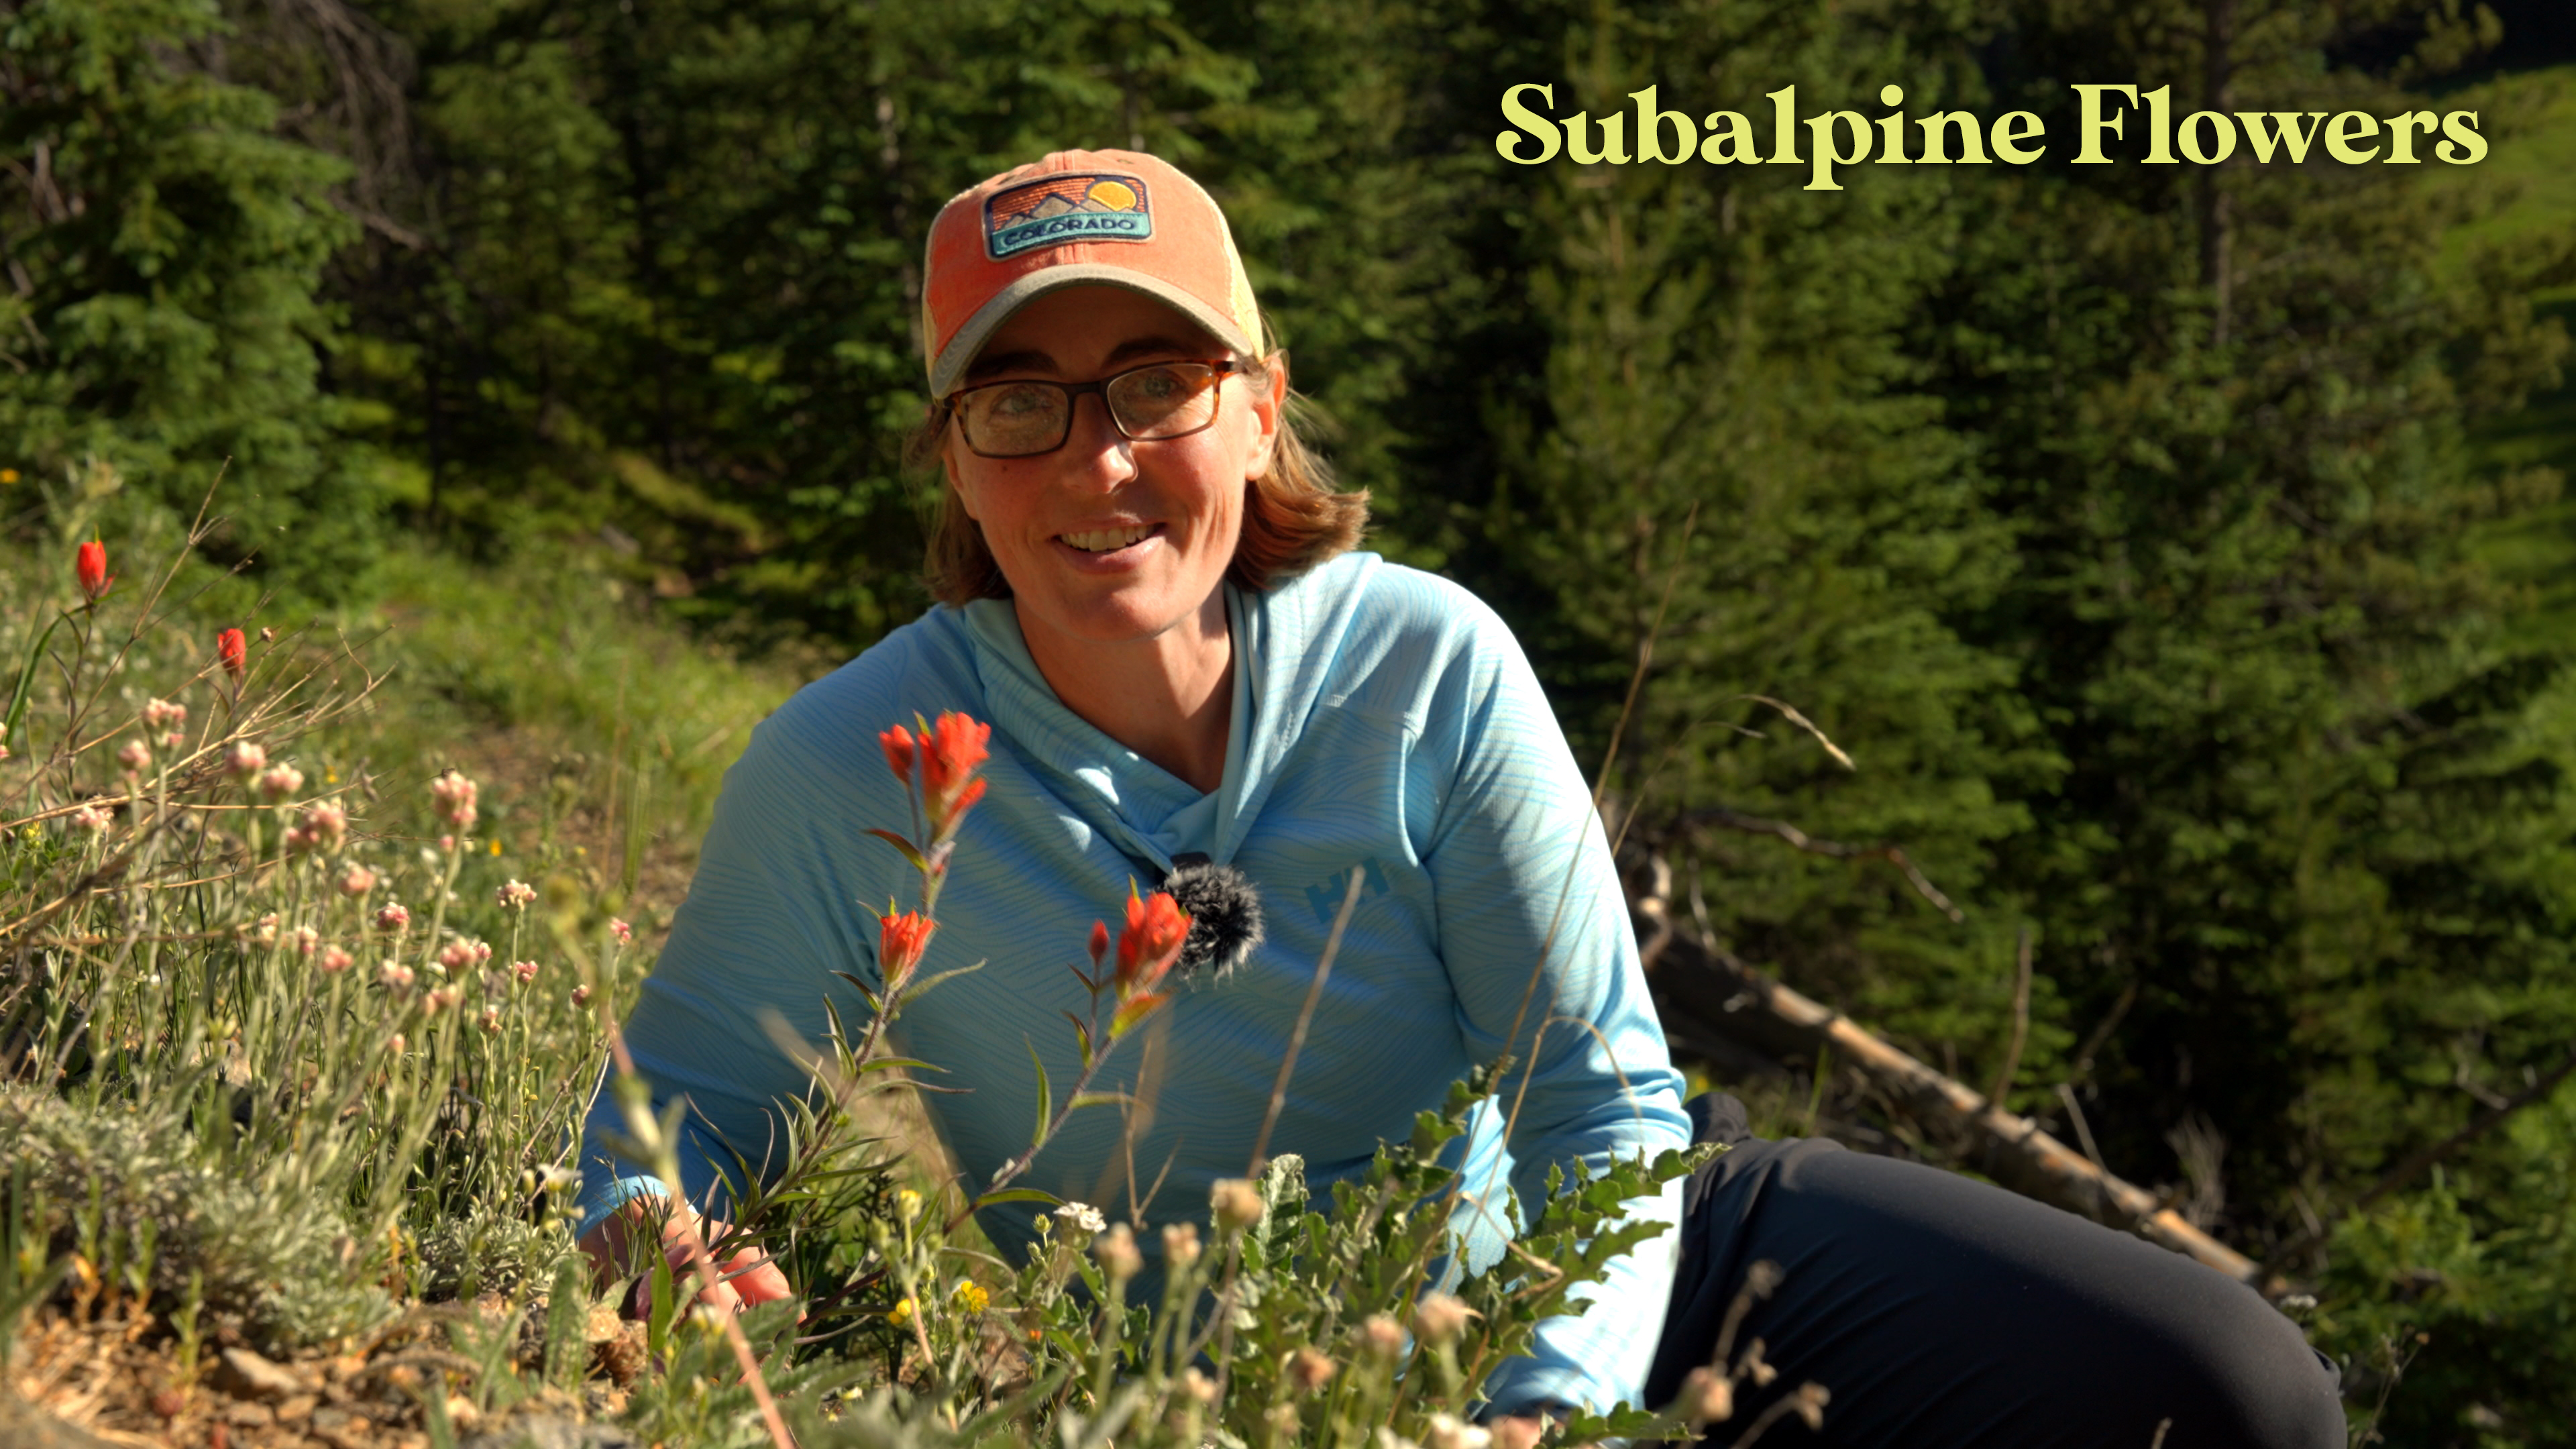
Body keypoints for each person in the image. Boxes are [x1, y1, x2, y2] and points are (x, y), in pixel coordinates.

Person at [576, 148, 2348, 1447]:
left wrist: (1543, 1416)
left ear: (1260, 412)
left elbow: (1604, 1095)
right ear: (954, 456)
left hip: (1620, 1252)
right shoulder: (859, 764)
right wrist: (659, 1230)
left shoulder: (1421, 665)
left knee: (2236, 1390)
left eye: (1155, 385)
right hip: (1268, 1385)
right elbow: (682, 1106)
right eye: (1017, 400)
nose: (1096, 457)